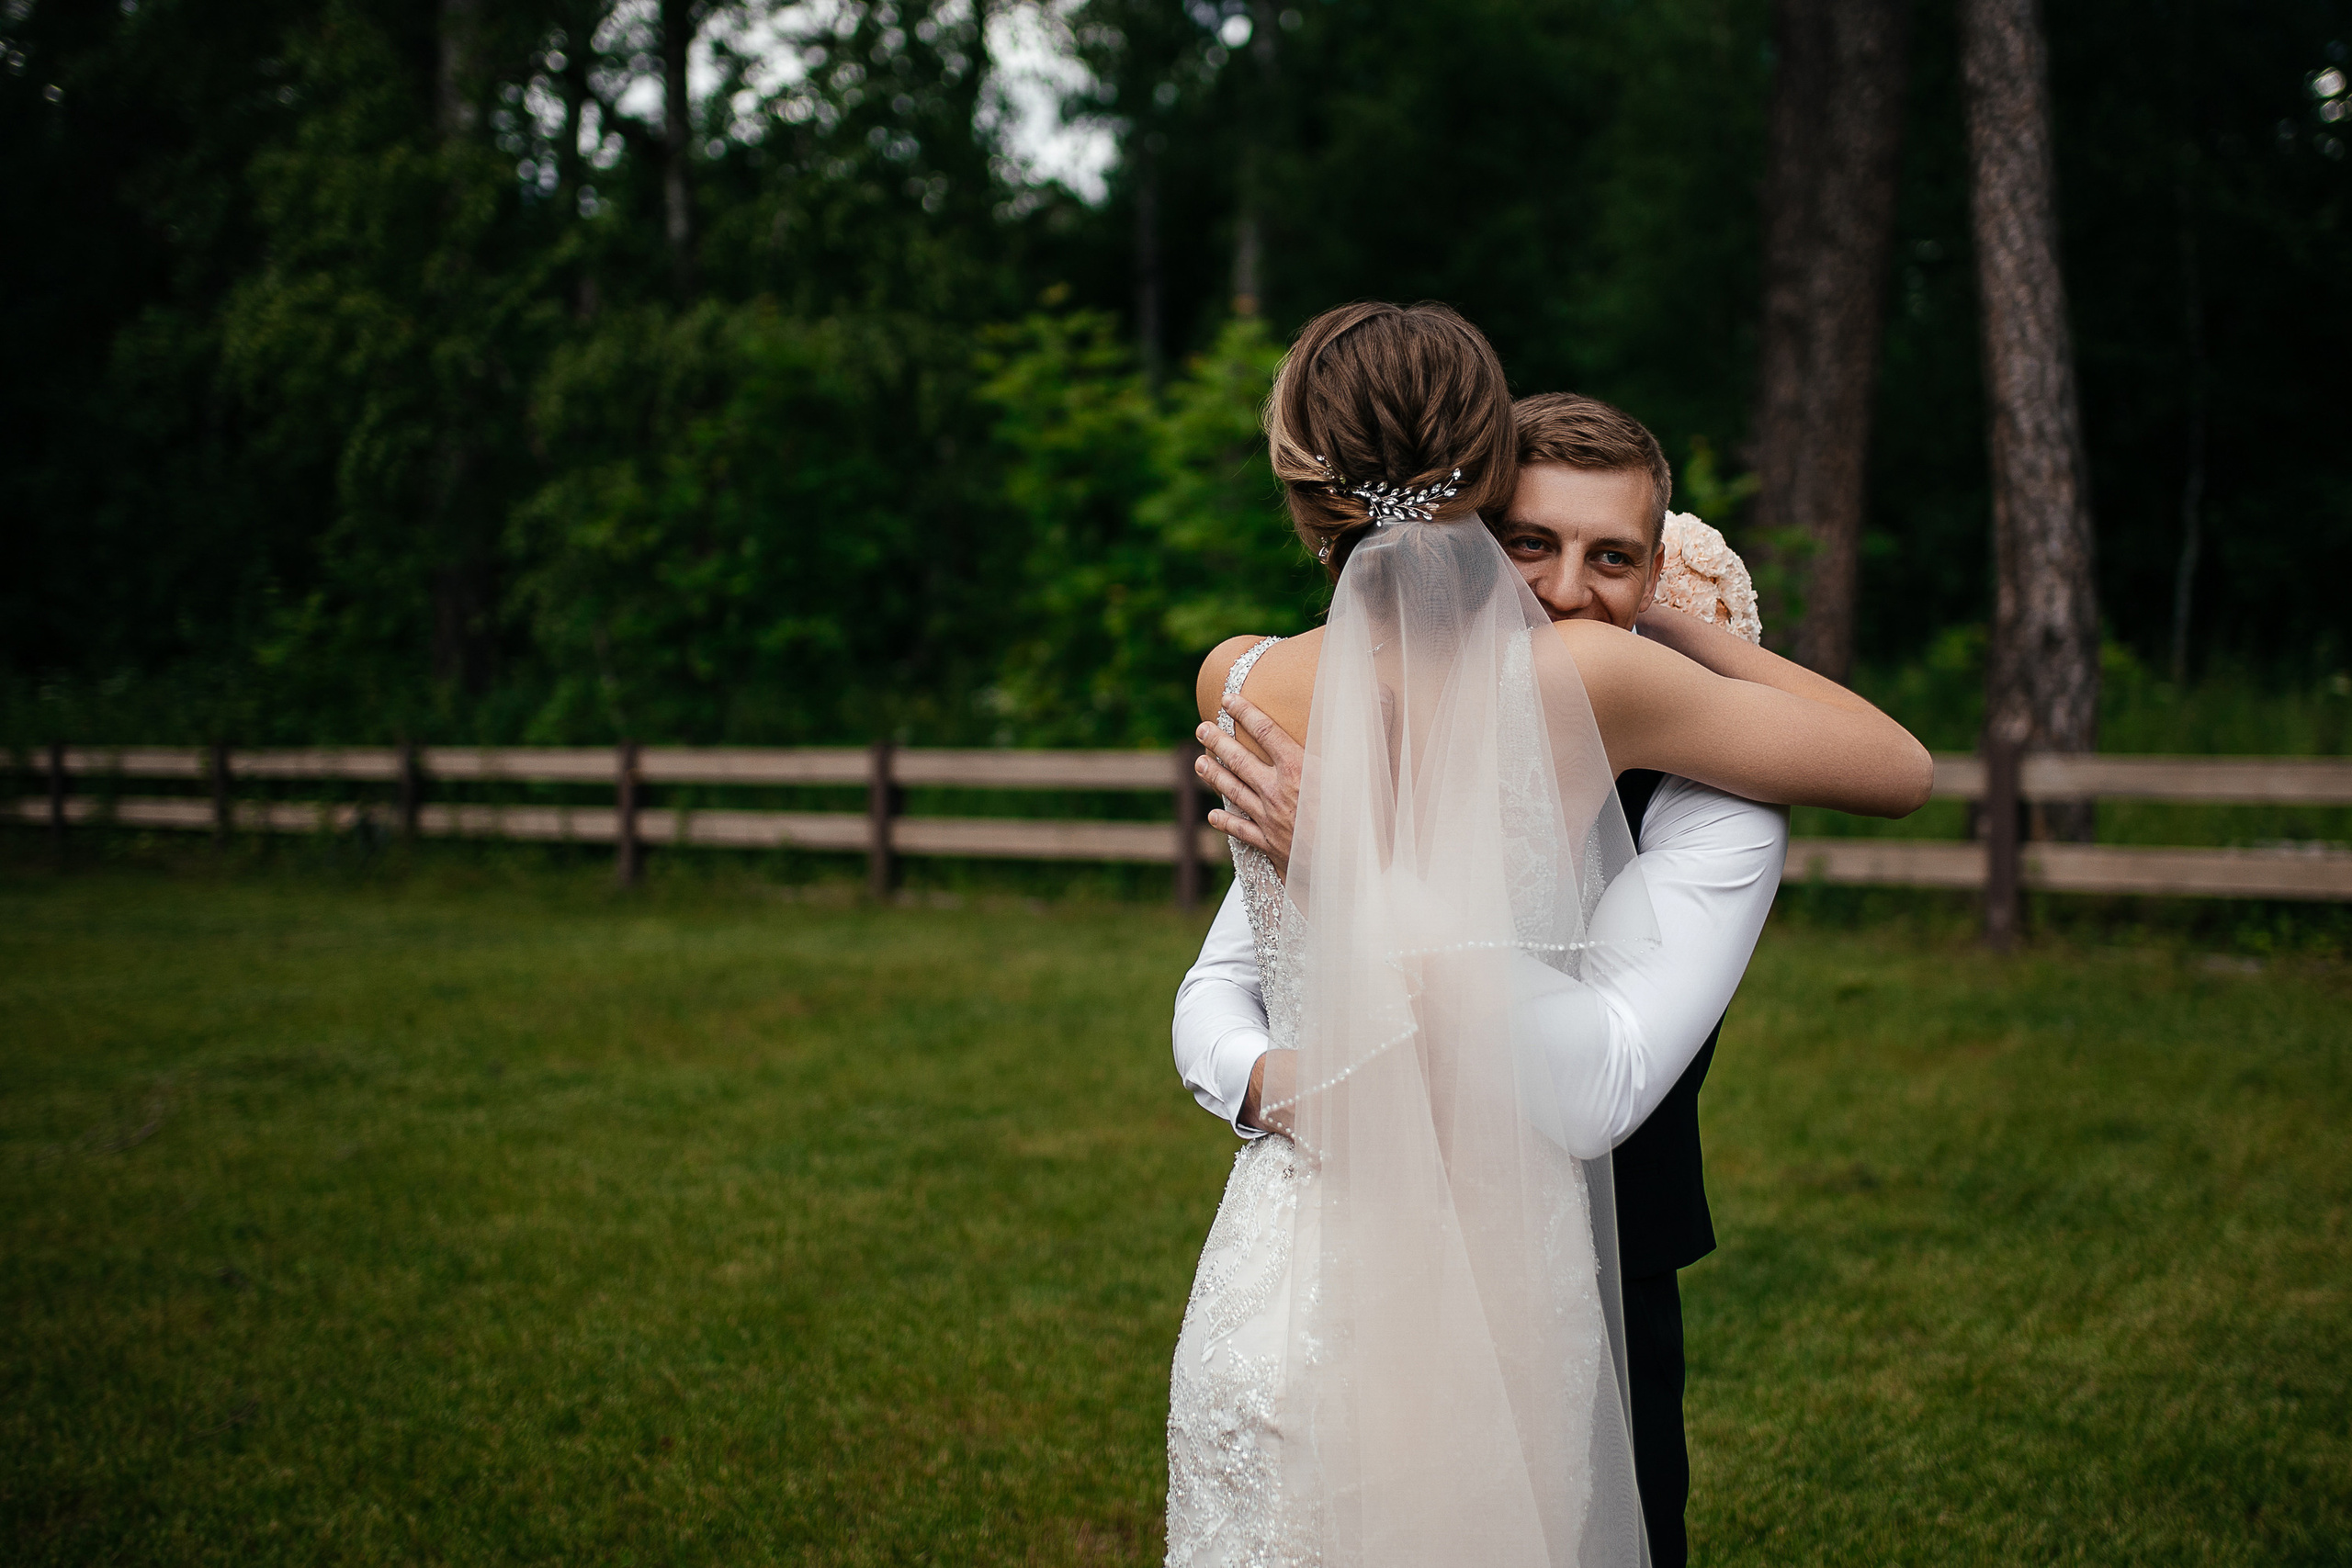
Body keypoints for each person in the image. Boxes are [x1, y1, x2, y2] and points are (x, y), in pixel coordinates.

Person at [1161, 300, 1929, 1568]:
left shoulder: (1236, 678)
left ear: (1299, 476)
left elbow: (1267, 938)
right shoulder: (1591, 682)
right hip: (1509, 1232)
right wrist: (1670, 617)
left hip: (1288, 1238)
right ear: (1482, 482)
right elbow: (1897, 768)